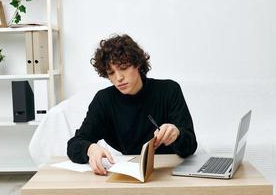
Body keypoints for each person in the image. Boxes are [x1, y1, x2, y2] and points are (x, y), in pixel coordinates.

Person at [67, 34, 197, 175]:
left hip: (171, 172)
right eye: (111, 73)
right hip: (130, 174)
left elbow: (190, 146)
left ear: (138, 63)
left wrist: (177, 133)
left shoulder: (169, 90)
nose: (118, 78)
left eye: (123, 67)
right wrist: (90, 148)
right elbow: (74, 144)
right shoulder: (104, 100)